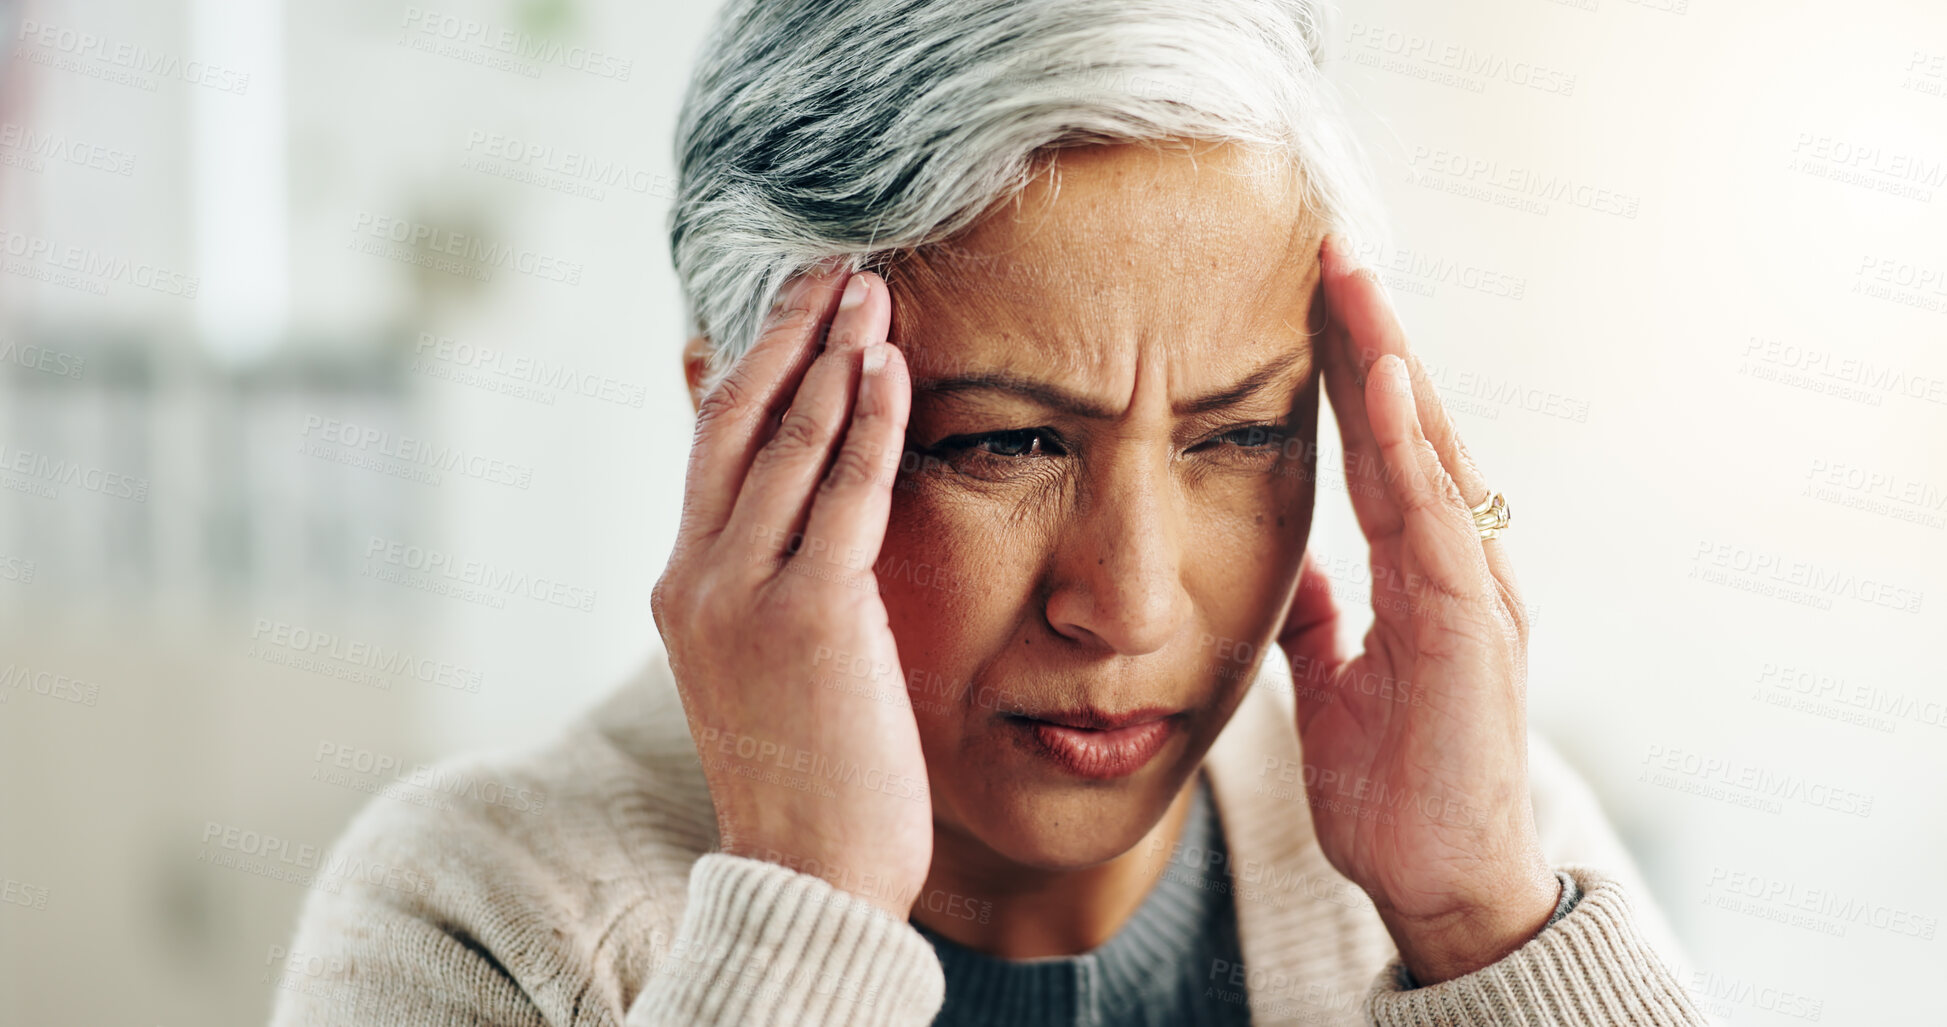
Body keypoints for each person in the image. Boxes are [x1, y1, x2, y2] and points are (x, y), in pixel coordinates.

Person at [272, 1, 1707, 1024]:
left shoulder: (1490, 853)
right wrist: (805, 917)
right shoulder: (476, 919)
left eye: (1241, 433)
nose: (1133, 602)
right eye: (1005, 444)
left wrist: (1479, 931)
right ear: (741, 428)